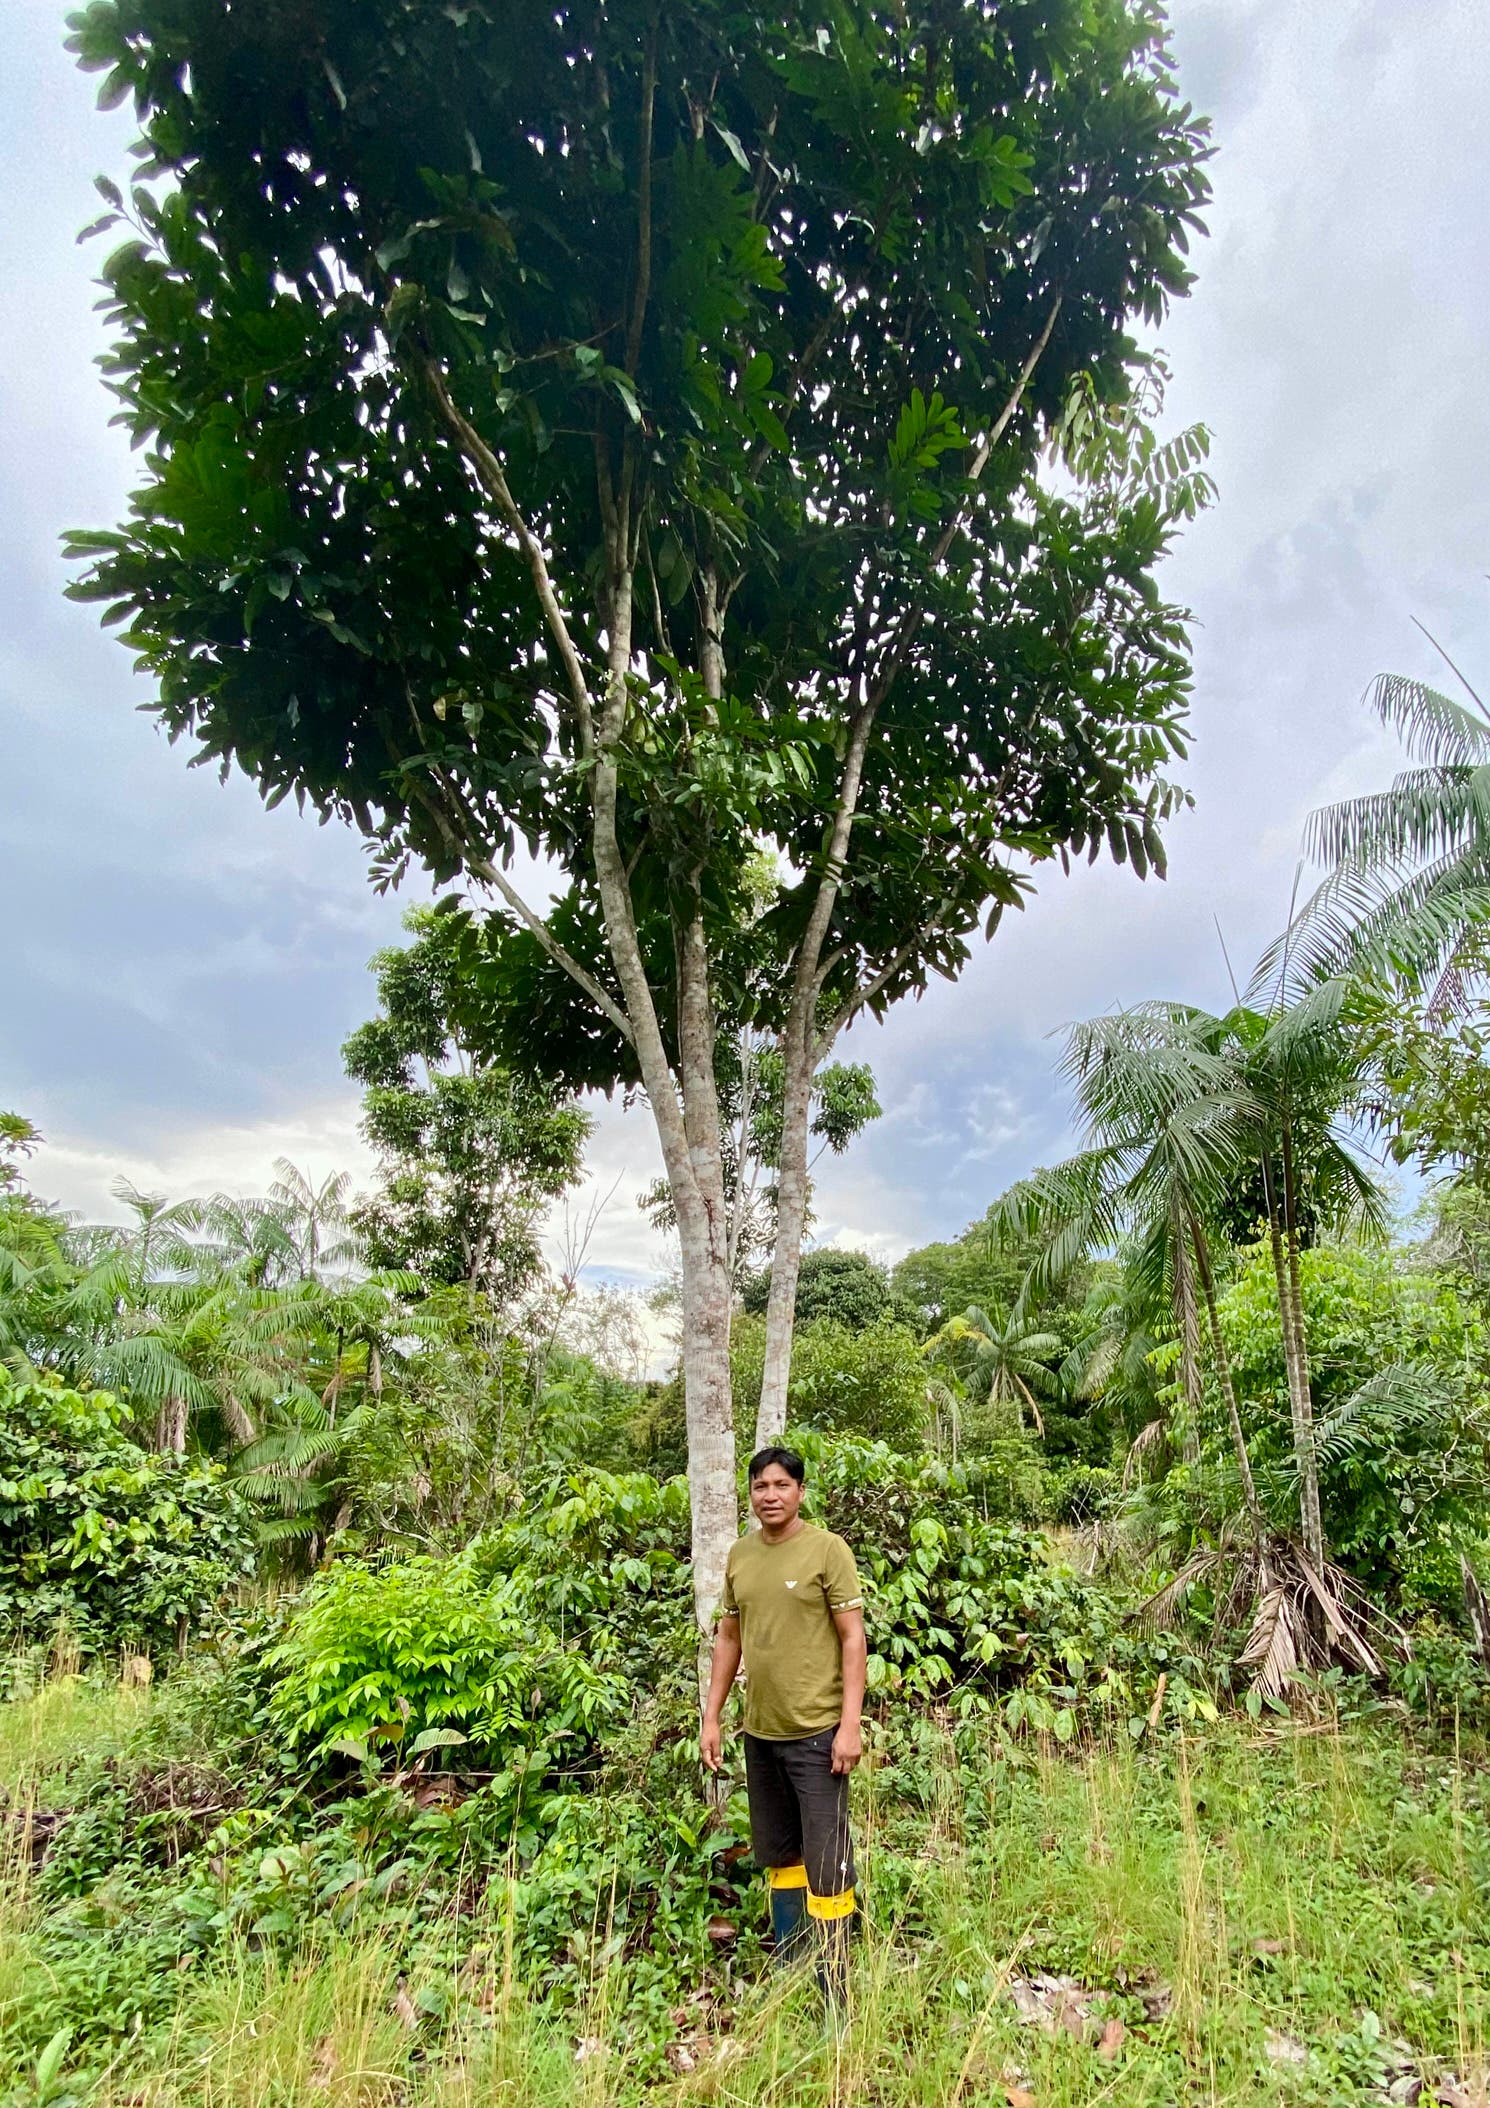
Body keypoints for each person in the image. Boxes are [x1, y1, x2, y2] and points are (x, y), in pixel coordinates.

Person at [700, 1444, 867, 2005]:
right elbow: (729, 1637)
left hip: (818, 1734)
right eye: (760, 1486)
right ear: (749, 1494)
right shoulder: (741, 1555)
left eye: (781, 1485)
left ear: (800, 1491)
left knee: (827, 1863)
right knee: (782, 1857)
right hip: (762, 1734)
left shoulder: (827, 1550)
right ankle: (793, 1972)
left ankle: (835, 1992)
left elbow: (853, 1639)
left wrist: (850, 1726)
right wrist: (712, 1717)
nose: (770, 1495)